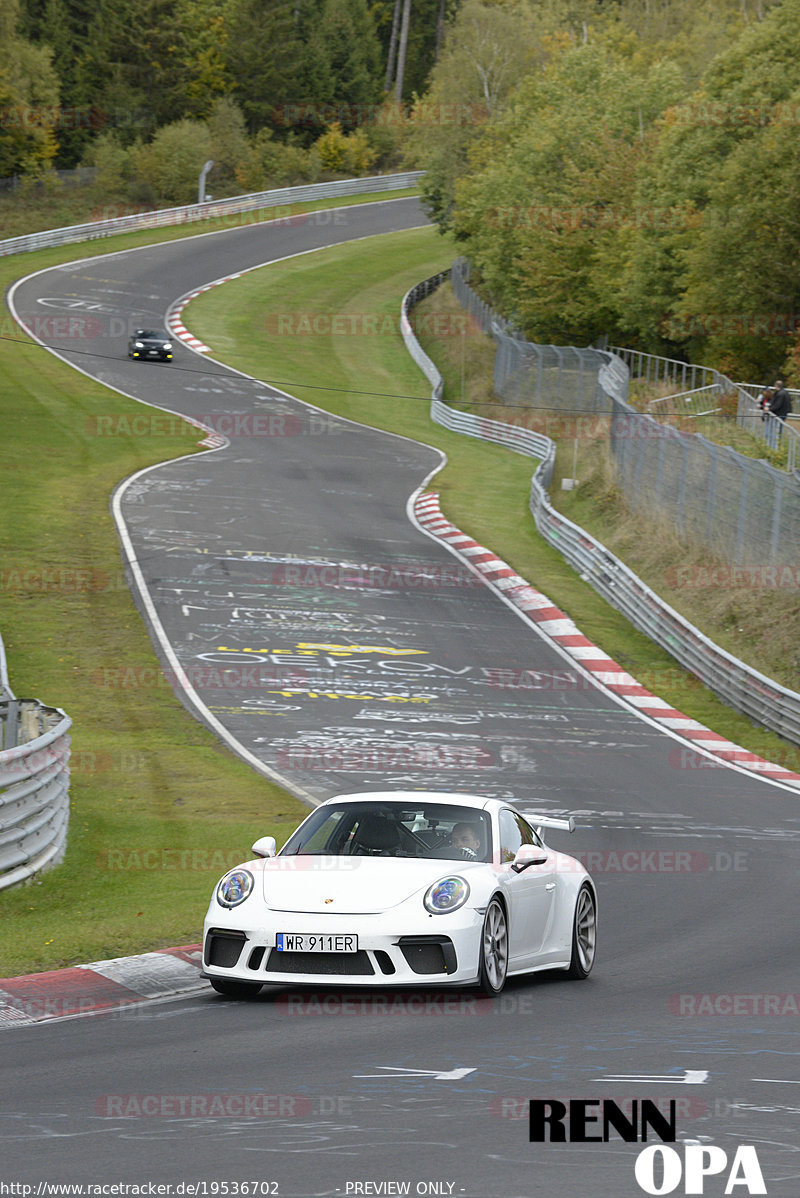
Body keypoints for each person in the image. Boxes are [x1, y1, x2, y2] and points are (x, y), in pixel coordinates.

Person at [768, 380, 792, 445]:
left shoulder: (780, 394)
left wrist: (769, 409)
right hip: (783, 413)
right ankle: (777, 441)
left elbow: (778, 404)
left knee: (777, 428)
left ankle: (775, 442)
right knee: (779, 427)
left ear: (776, 385)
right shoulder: (785, 392)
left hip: (779, 413)